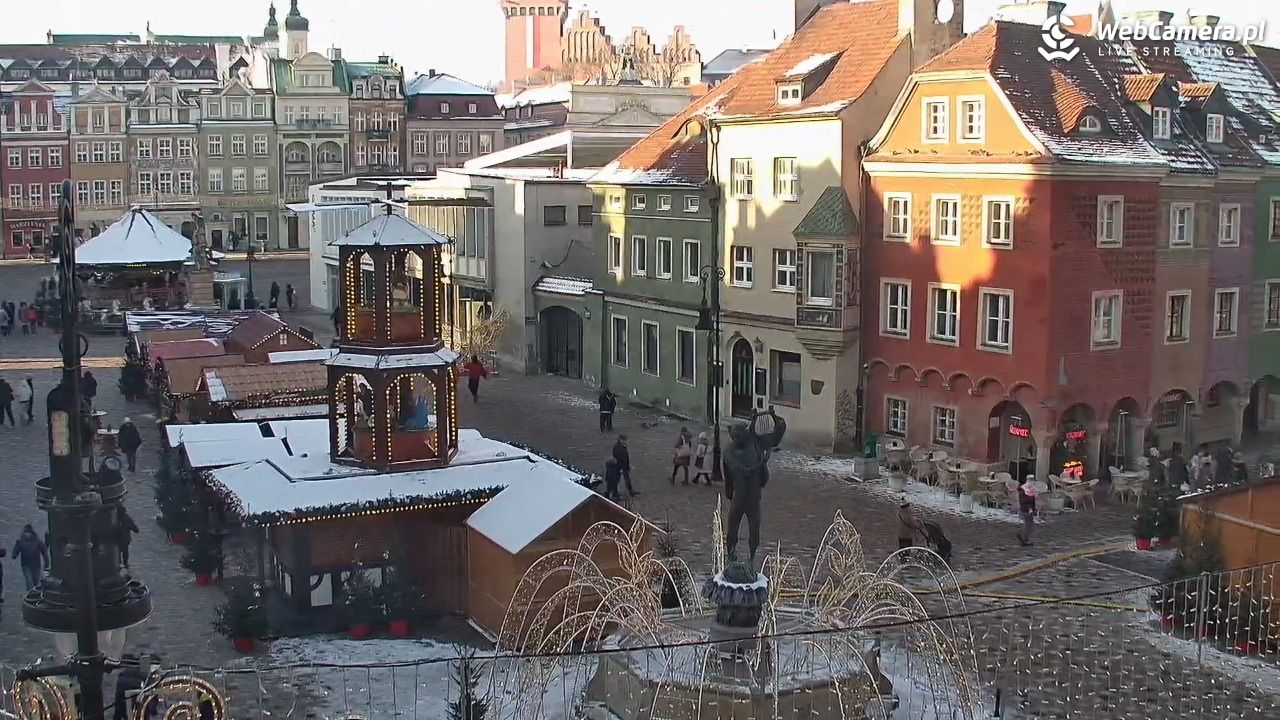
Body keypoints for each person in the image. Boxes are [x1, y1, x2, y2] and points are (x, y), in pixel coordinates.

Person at [12, 524, 49, 590]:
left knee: (36, 581)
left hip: (36, 565)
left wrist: (46, 562)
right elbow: (16, 550)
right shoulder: (20, 541)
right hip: (26, 565)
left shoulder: (37, 541)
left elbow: (44, 551)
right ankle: (31, 593)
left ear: (31, 533)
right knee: (29, 581)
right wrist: (14, 555)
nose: (26, 534)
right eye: (25, 532)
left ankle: (36, 593)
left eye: (27, 532)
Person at [1016, 478, 1038, 546]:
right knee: (1028, 524)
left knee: (1028, 523)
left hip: (1025, 509)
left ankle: (1024, 537)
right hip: (1026, 509)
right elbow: (1028, 501)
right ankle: (1024, 538)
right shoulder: (1026, 491)